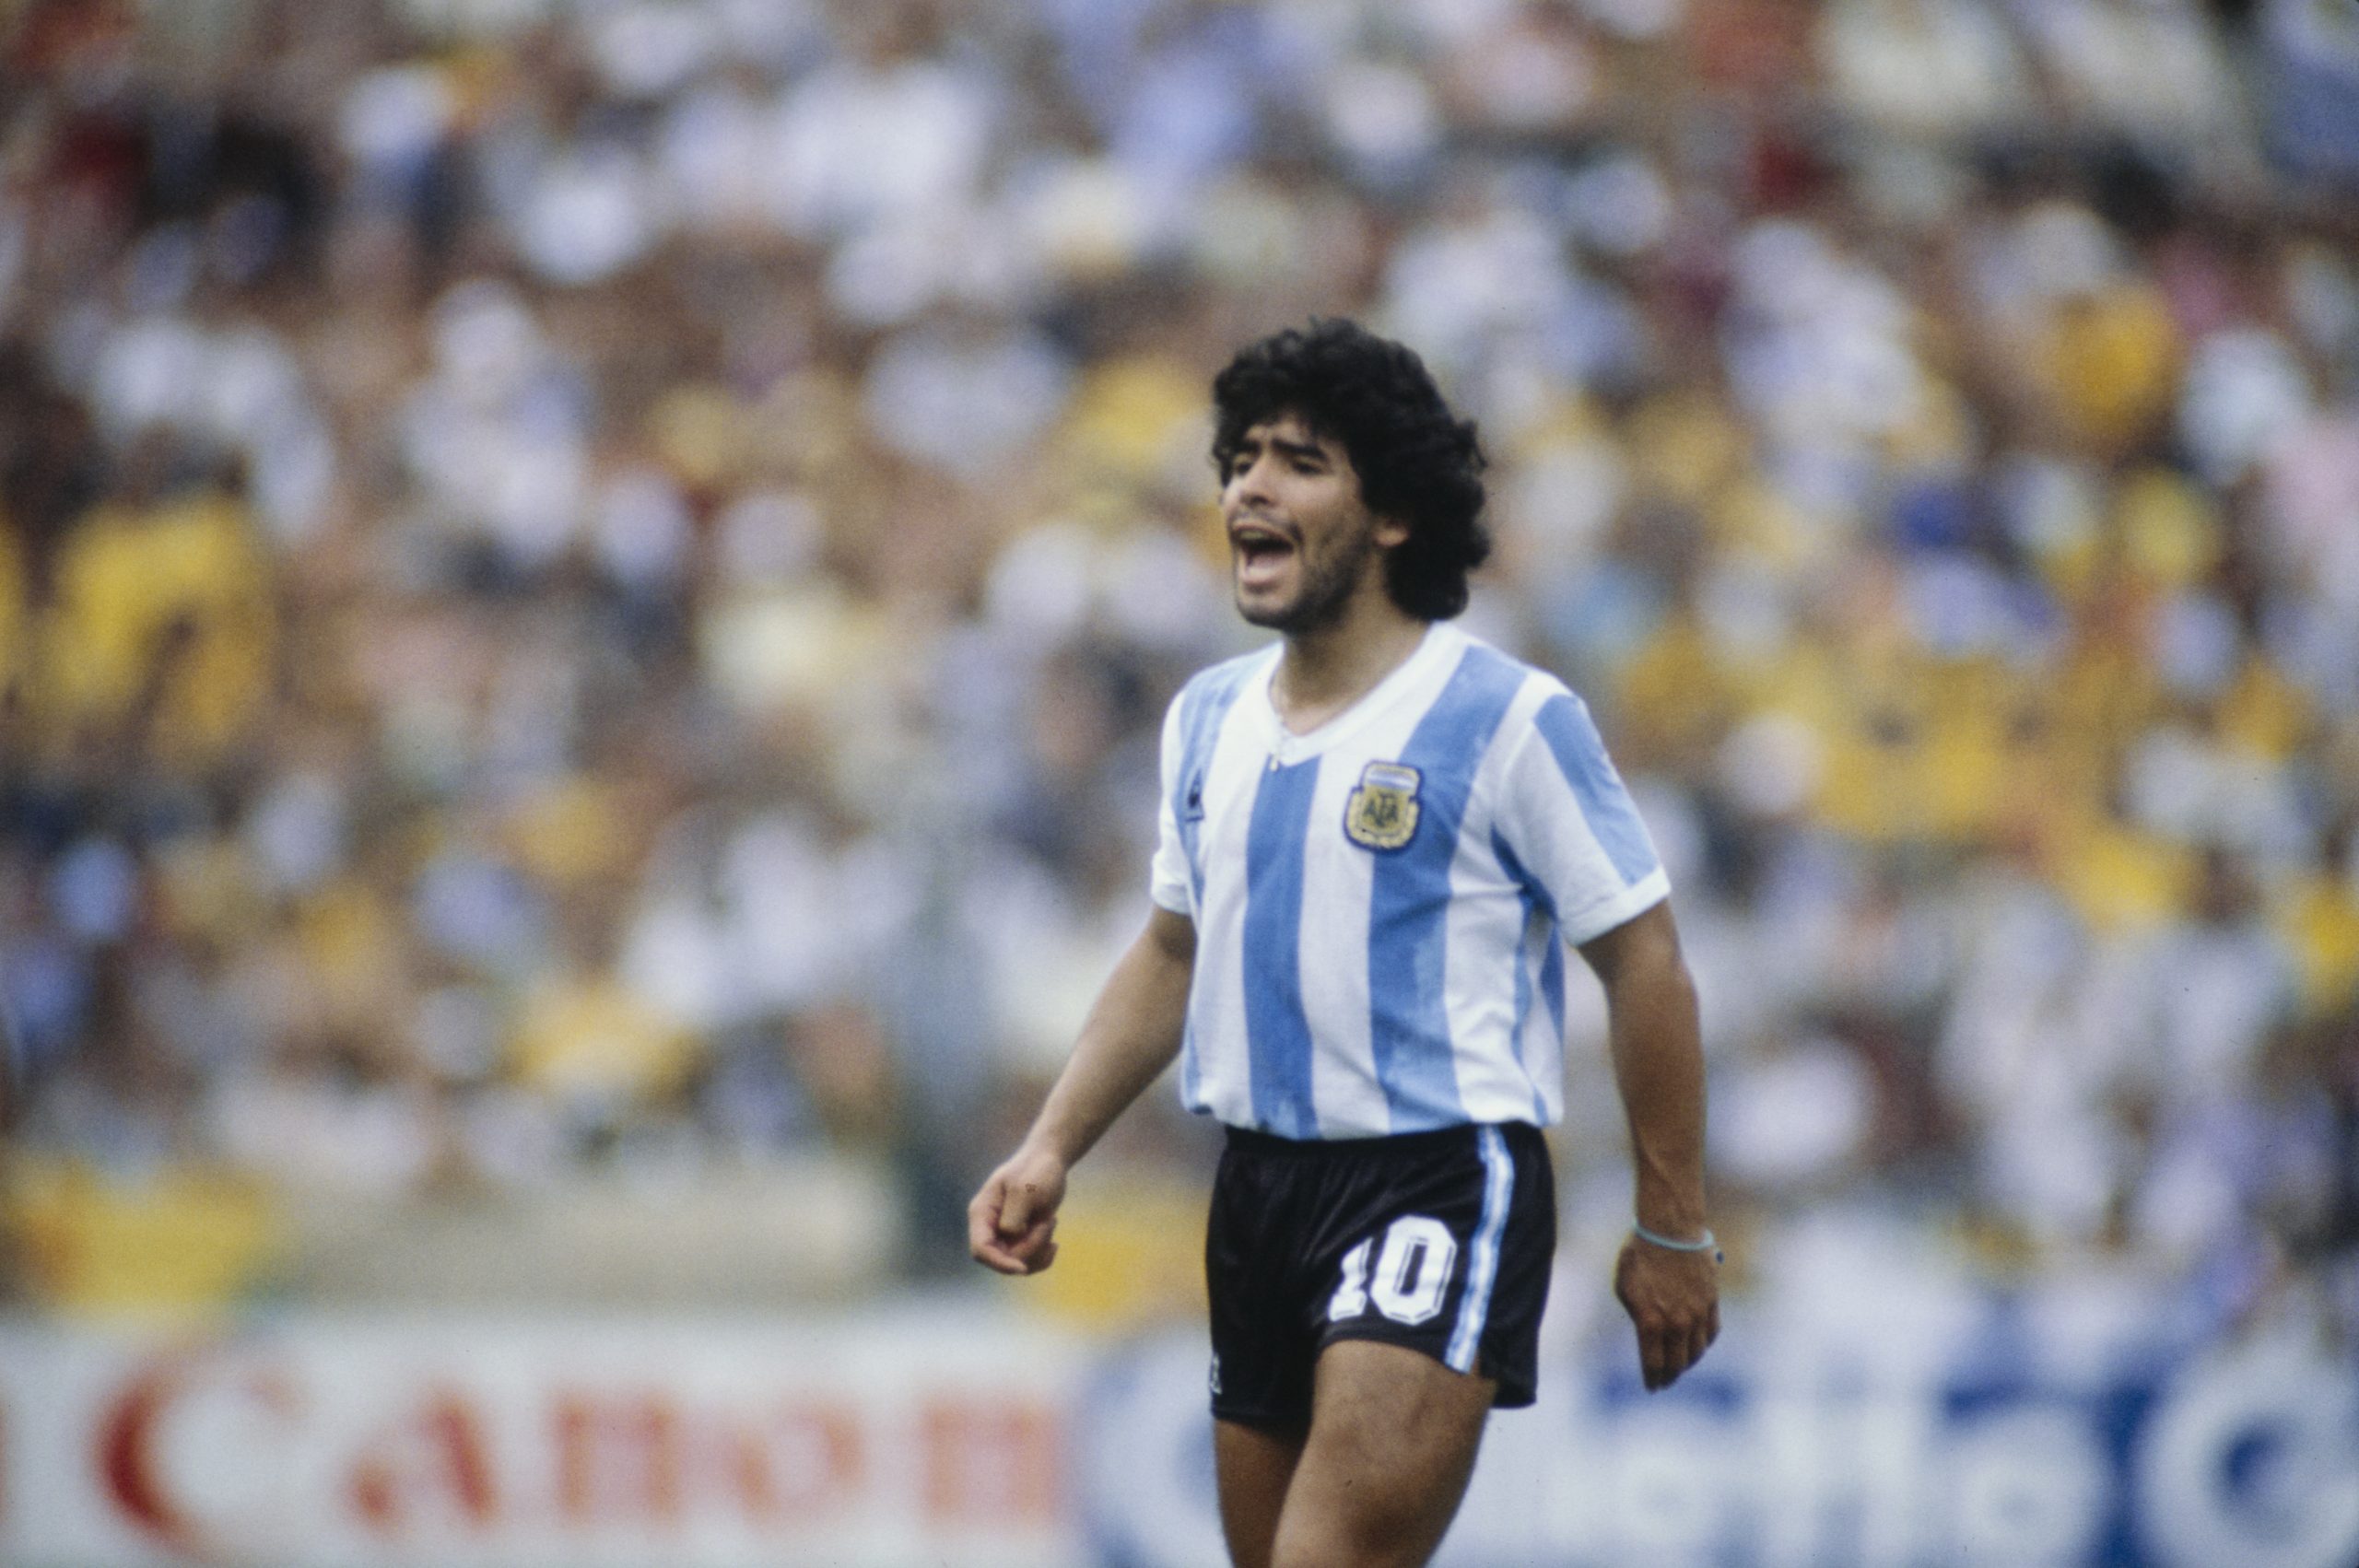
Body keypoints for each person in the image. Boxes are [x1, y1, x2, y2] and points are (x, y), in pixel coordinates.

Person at [968, 319, 1718, 1568]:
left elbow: (1644, 961)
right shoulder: (1207, 718)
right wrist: (1052, 1144)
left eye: (1299, 463)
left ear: (1394, 516)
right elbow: (1171, 952)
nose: (1249, 489)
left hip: (1436, 1177)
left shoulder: (1507, 717)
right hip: (1258, 1191)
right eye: (1241, 460)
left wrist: (1674, 1223)